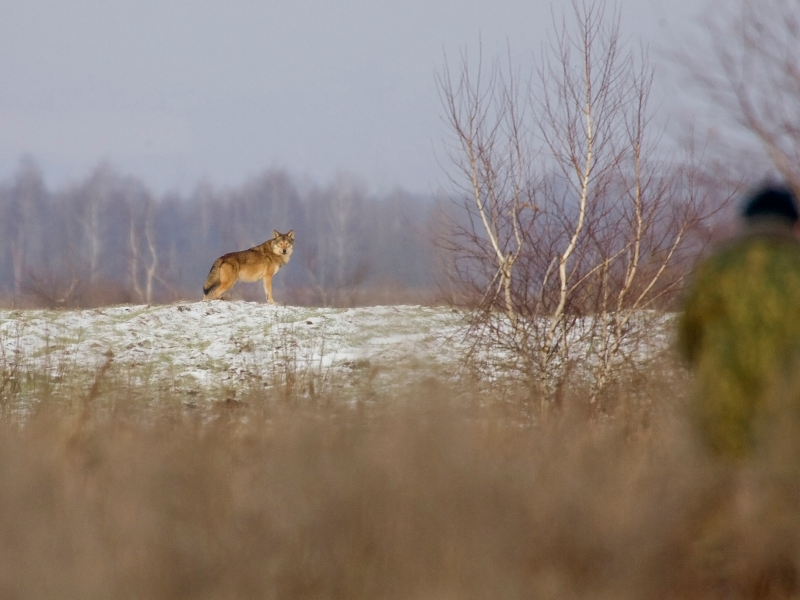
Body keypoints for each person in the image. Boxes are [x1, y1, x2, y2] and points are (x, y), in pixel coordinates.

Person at [677, 184, 800, 459]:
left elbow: (688, 338)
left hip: (723, 401)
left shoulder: (719, 265)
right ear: (793, 223)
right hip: (789, 405)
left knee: (724, 488)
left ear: (747, 221)